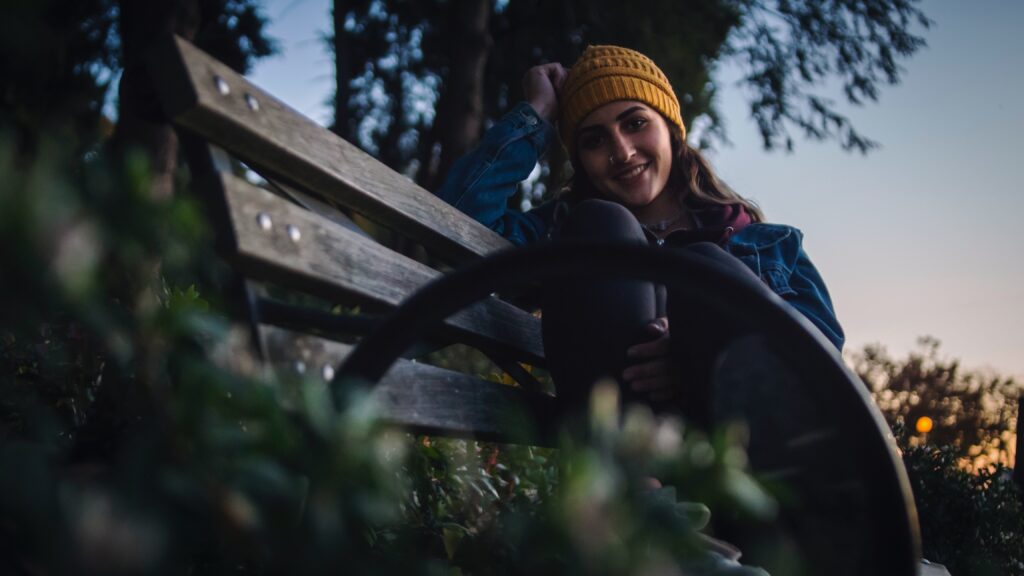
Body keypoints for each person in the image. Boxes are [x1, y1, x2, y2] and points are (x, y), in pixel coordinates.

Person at [435, 45, 843, 425]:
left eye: (635, 123)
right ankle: (637, 489)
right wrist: (538, 112)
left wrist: (691, 350)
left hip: (737, 450)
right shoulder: (564, 233)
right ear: (582, 161)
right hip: (622, 455)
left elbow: (822, 364)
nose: (622, 151)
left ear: (670, 129)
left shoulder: (768, 244)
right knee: (603, 227)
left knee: (704, 267)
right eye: (594, 140)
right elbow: (458, 221)